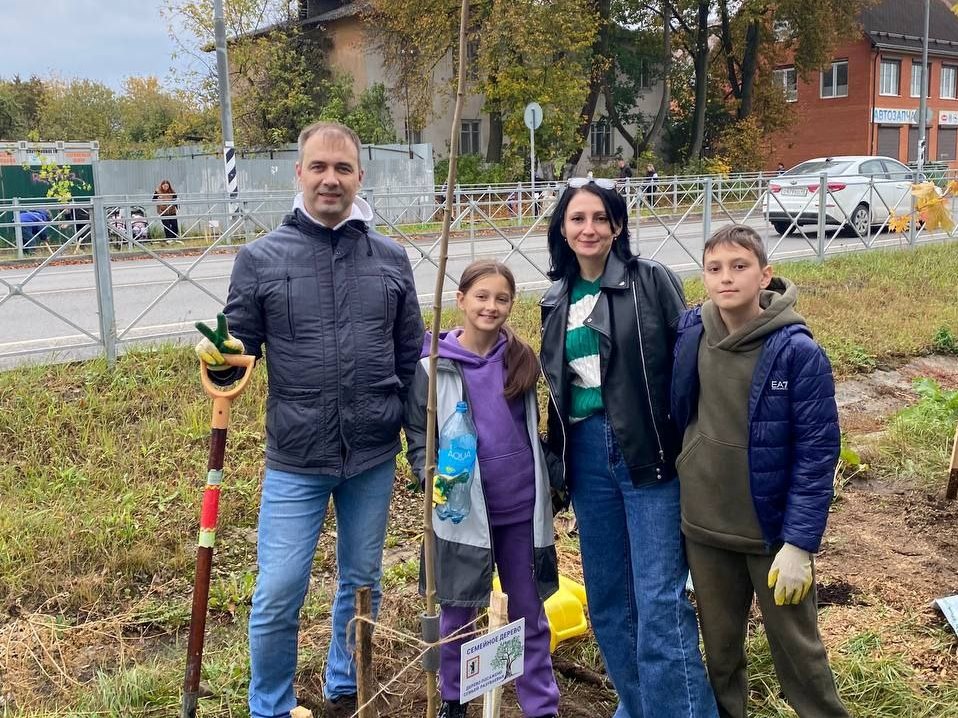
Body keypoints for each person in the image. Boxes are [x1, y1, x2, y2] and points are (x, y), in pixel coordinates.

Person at [194, 121, 424, 718]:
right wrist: (220, 357)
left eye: (342, 169)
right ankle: (269, 706)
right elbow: (237, 349)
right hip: (296, 456)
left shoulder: (393, 260)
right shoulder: (262, 259)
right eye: (318, 167)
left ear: (359, 178)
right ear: (299, 173)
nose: (330, 179)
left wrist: (420, 442)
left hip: (373, 452)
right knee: (277, 591)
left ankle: (344, 688)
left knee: (361, 578)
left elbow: (410, 359)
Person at [539, 178, 717, 718]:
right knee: (610, 601)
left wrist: (685, 442)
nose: (588, 228)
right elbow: (555, 388)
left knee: (660, 600)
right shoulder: (554, 299)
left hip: (647, 453)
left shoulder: (651, 281)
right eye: (577, 219)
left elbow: (688, 365)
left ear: (617, 226)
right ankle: (640, 706)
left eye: (599, 218)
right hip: (587, 457)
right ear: (563, 230)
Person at [671, 224, 848, 718]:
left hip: (770, 536)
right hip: (705, 527)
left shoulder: (796, 351)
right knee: (721, 652)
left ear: (765, 275)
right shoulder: (692, 332)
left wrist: (800, 543)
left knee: (800, 653)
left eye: (739, 266)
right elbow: (679, 408)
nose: (726, 278)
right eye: (714, 269)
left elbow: (818, 450)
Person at [405, 259, 560, 718]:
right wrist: (426, 473)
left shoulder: (521, 358)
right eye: (481, 296)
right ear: (460, 300)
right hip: (462, 511)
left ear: (512, 304)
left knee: (528, 611)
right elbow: (418, 432)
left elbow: (534, 429)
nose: (491, 307)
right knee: (457, 610)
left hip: (519, 508)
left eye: (502, 299)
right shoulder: (433, 366)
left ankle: (540, 704)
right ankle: (454, 699)